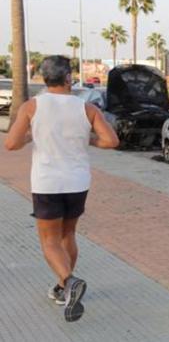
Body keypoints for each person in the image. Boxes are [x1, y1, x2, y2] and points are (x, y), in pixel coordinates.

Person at [4, 55, 119, 322]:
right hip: (78, 183)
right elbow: (111, 141)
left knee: (49, 241)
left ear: (44, 78)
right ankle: (61, 289)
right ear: (68, 78)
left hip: (48, 183)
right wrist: (86, 140)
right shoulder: (87, 108)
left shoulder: (32, 106)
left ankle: (69, 281)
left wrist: (33, 135)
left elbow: (10, 144)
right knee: (68, 235)